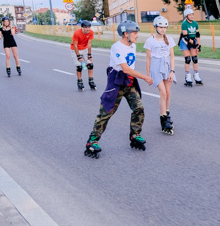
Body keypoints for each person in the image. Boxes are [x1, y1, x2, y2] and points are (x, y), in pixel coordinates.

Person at [84, 21, 154, 159]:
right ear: (126, 34)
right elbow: (126, 68)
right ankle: (92, 141)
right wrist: (145, 77)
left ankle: (135, 135)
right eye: (135, 33)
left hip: (129, 80)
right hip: (116, 81)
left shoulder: (132, 46)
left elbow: (129, 69)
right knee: (106, 112)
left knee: (138, 108)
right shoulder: (117, 47)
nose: (137, 36)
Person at [144, 16, 176, 135]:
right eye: (161, 27)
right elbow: (148, 59)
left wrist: (172, 71)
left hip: (167, 66)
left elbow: (172, 56)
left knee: (167, 93)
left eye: (164, 27)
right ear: (156, 27)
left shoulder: (169, 39)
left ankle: (166, 114)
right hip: (156, 67)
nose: (163, 29)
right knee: (162, 92)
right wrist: (148, 75)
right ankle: (163, 119)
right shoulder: (150, 41)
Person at [179, 8, 202, 86]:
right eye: (190, 15)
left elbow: (197, 35)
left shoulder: (195, 23)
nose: (192, 16)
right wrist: (193, 43)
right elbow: (185, 36)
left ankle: (196, 76)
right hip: (185, 41)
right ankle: (187, 77)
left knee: (195, 59)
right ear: (186, 16)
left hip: (193, 40)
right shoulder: (184, 24)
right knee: (188, 59)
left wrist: (199, 45)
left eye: (192, 15)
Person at [71, 20, 96, 91]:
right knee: (79, 66)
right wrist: (78, 57)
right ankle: (80, 81)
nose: (88, 29)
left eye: (89, 27)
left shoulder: (91, 32)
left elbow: (89, 44)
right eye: (86, 27)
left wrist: (89, 55)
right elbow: (75, 45)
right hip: (75, 50)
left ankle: (91, 80)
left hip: (85, 49)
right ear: (82, 27)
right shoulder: (77, 33)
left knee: (90, 65)